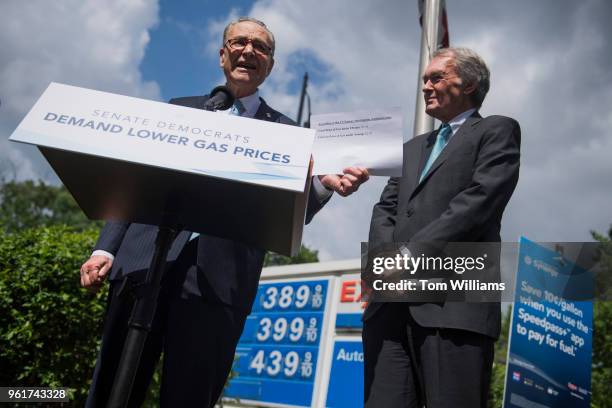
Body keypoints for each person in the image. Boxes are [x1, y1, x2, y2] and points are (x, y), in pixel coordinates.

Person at [80, 17, 369, 407]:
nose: (249, 51)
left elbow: (291, 213)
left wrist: (323, 185)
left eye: (261, 47)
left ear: (270, 65)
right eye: (240, 42)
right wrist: (105, 249)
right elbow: (134, 181)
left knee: (191, 396)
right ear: (222, 54)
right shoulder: (176, 109)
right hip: (141, 264)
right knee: (113, 388)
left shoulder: (289, 135)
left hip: (219, 283)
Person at [364, 47, 520, 407]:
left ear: (469, 83)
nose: (426, 87)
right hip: (390, 307)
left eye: (436, 77)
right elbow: (384, 209)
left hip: (454, 304)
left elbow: (479, 201)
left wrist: (409, 257)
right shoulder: (410, 148)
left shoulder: (497, 130)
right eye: (424, 80)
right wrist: (381, 267)